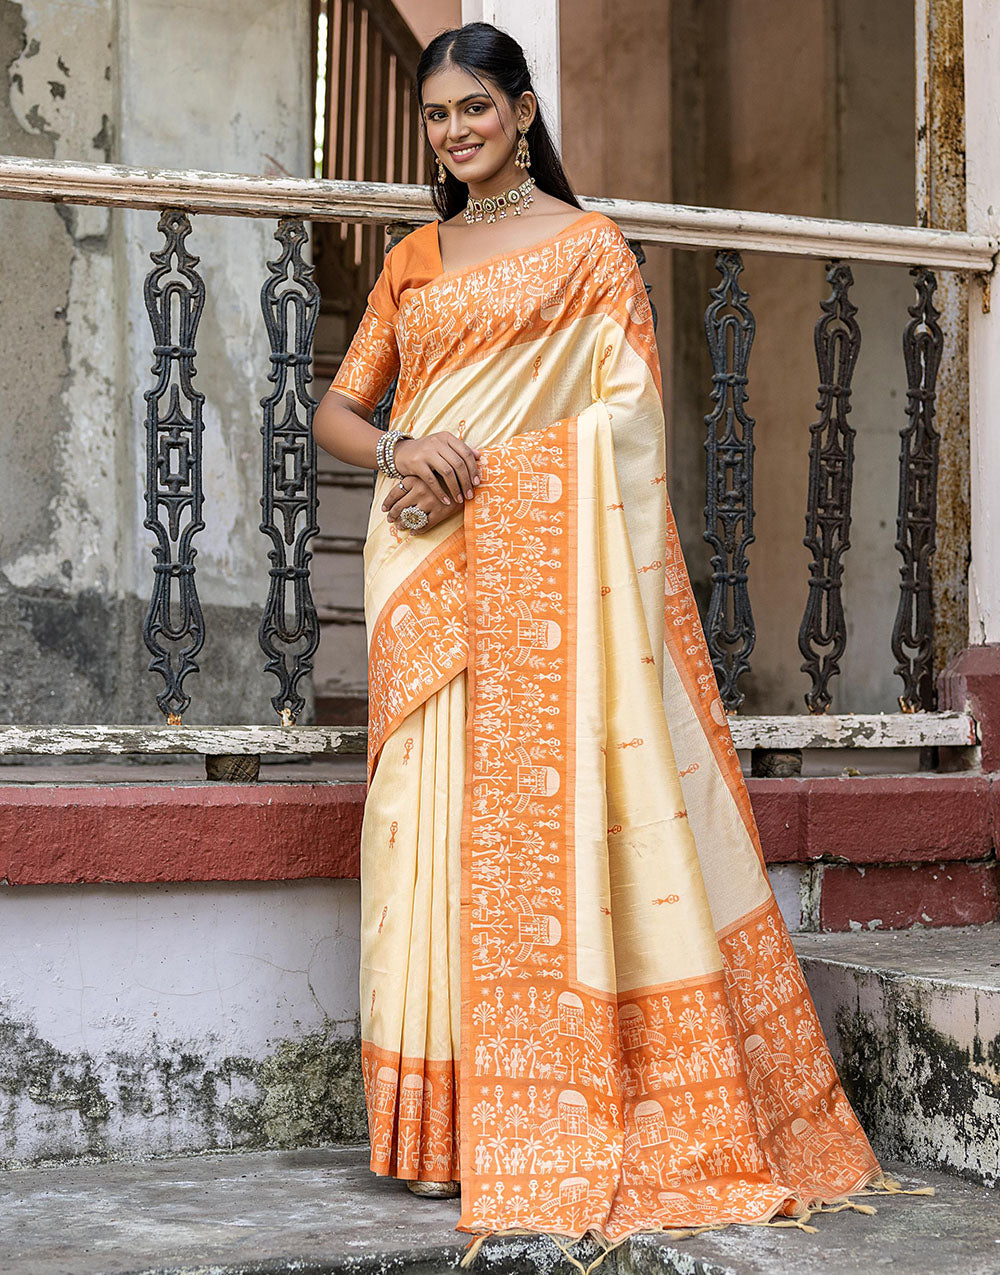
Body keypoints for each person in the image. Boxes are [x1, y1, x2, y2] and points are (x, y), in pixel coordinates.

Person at [313, 18, 914, 1254]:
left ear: (523, 111)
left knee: (529, 829)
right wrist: (405, 452)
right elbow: (337, 410)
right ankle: (432, 1132)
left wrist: (487, 472)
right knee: (427, 833)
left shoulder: (591, 255)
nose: (454, 132)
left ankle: (527, 1116)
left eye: (474, 107)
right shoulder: (412, 261)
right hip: (425, 566)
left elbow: (627, 430)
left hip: (538, 562)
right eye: (437, 115)